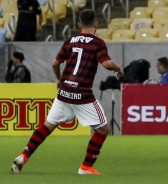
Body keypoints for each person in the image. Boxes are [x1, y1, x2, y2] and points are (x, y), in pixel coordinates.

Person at [11, 9, 124, 175]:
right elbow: (106, 64)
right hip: (82, 95)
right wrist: (118, 68)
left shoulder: (70, 41)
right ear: (96, 24)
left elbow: (55, 63)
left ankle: (23, 156)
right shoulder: (97, 43)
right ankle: (86, 167)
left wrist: (59, 79)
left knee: (48, 126)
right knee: (102, 130)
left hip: (64, 93)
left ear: (78, 24)